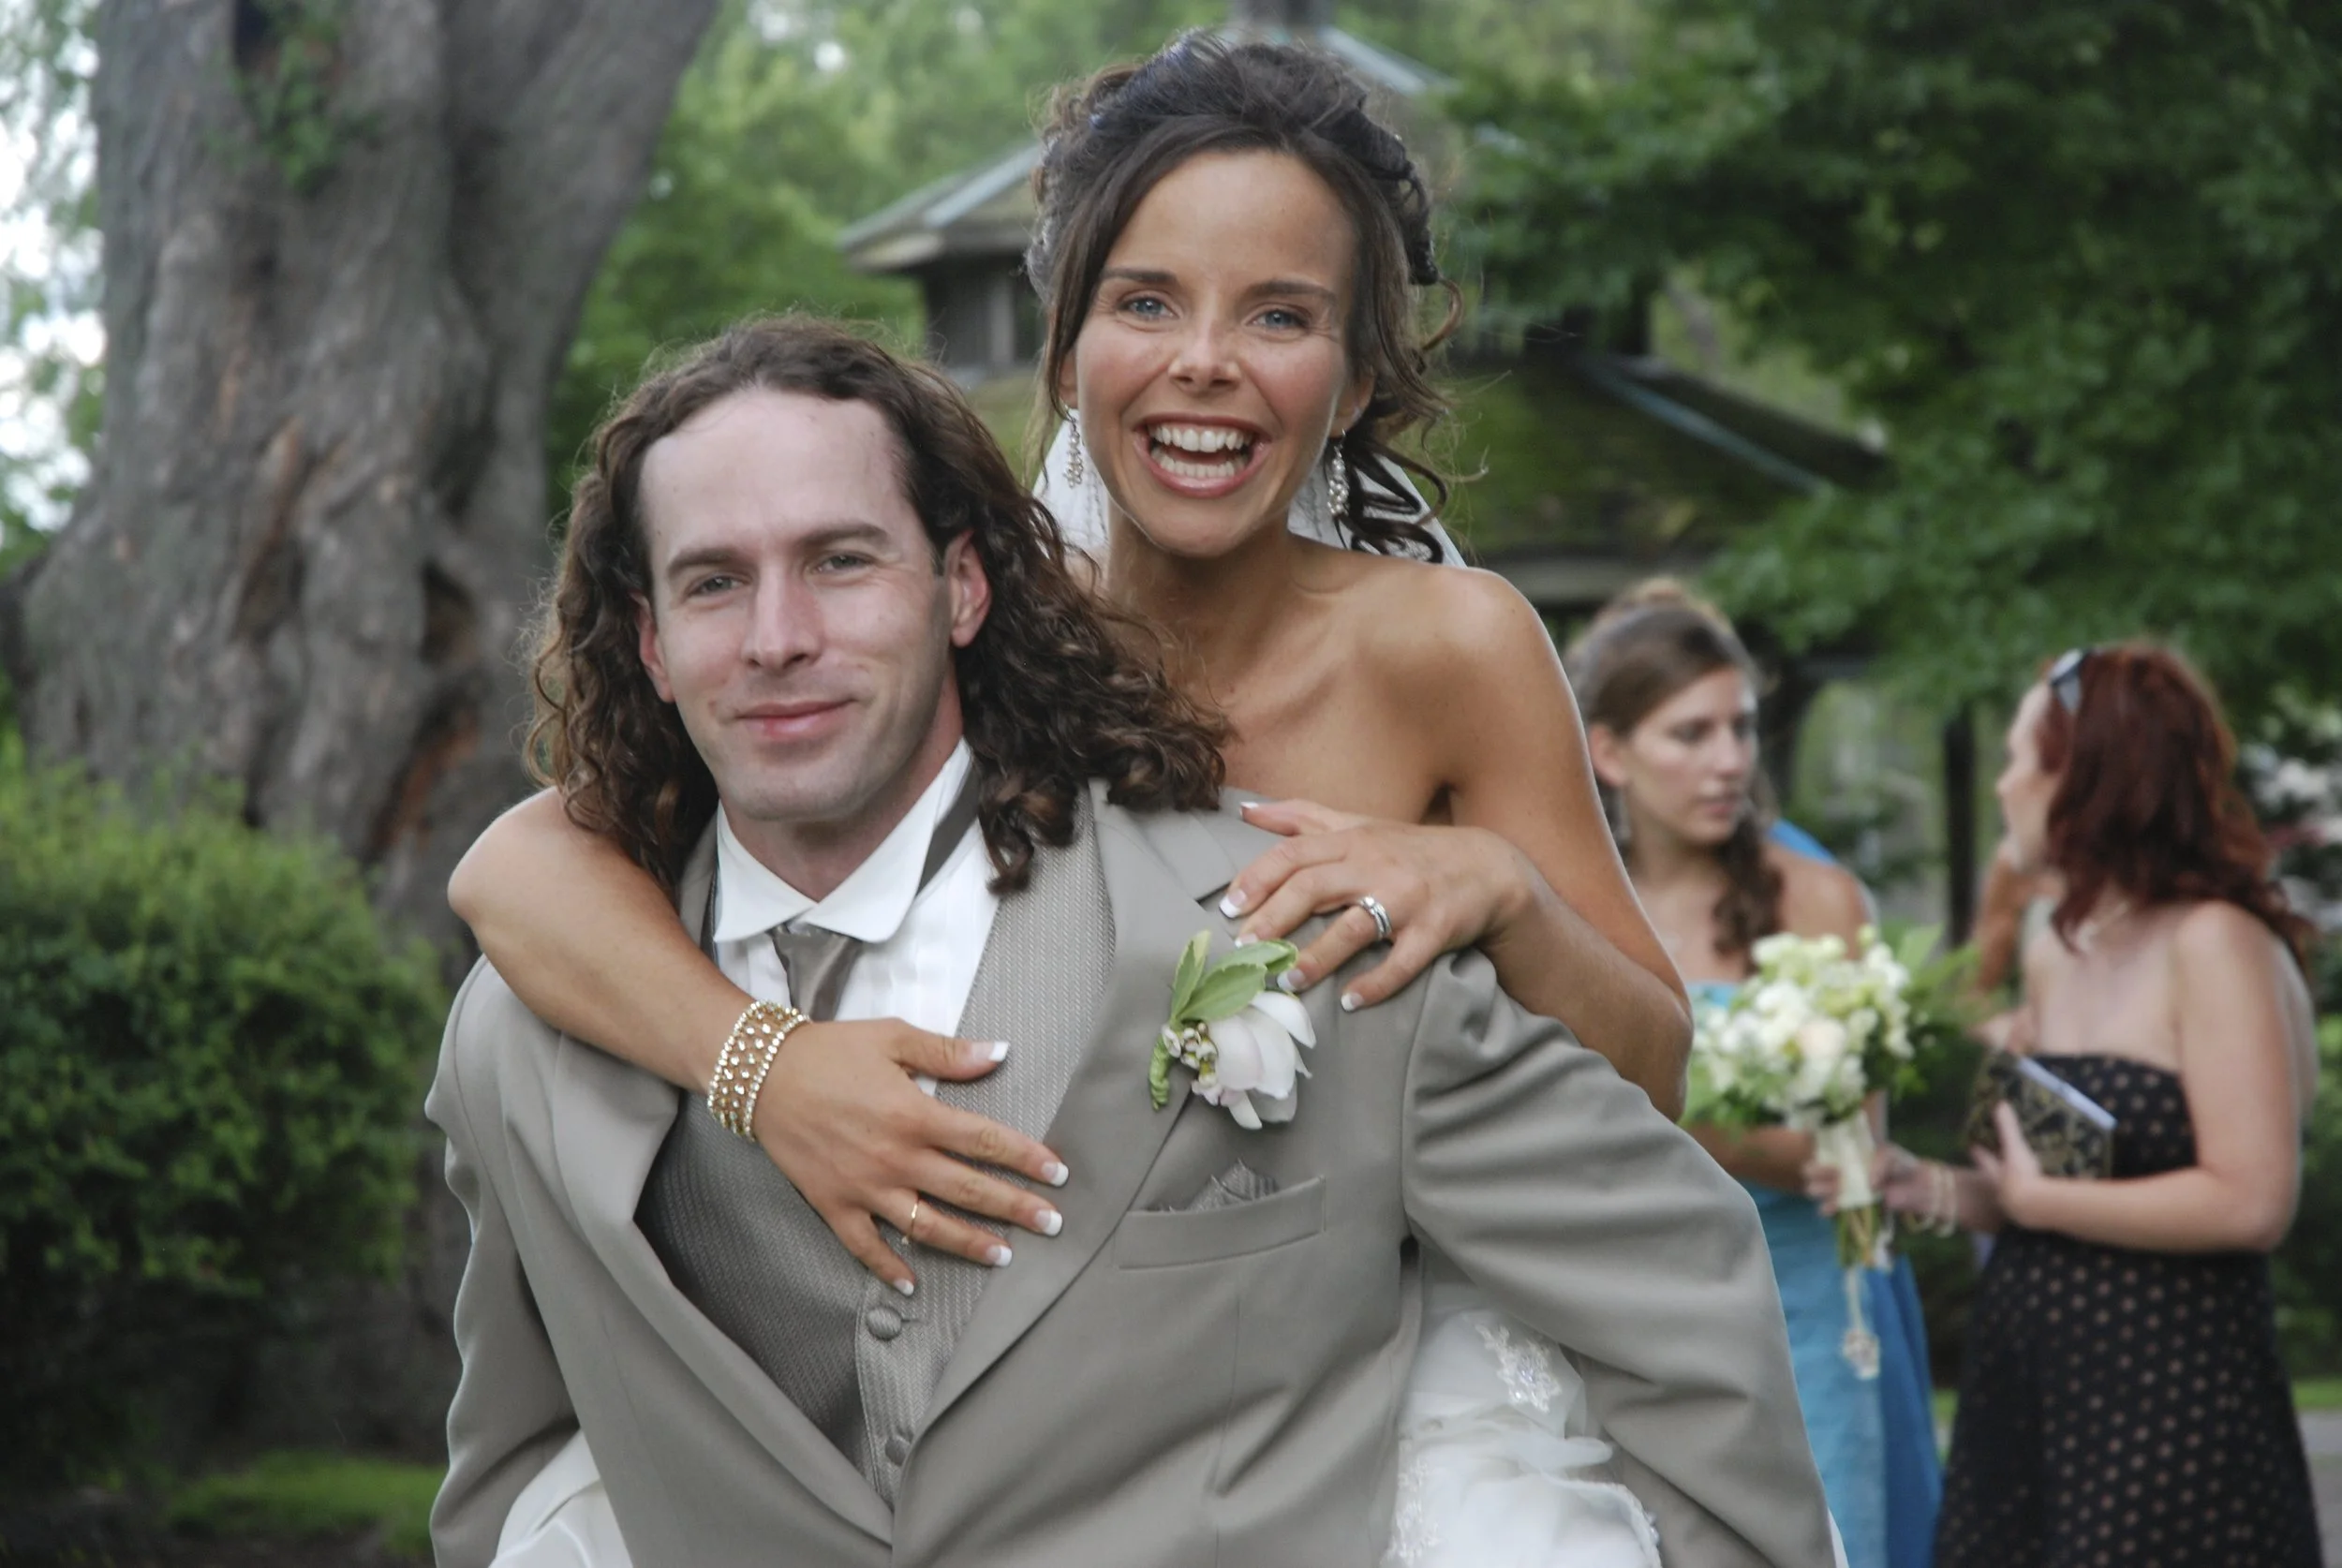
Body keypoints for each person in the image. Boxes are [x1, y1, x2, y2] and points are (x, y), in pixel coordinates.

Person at [424, 312, 1837, 1567]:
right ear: (653, 641)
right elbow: (522, 1456)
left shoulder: (1286, 926)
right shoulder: (527, 1031)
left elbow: (1669, 1273)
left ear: (962, 586)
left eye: (841, 561)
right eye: (715, 582)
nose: (778, 635)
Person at [448, 35, 1690, 1298]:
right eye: (1145, 302)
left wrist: (1506, 889)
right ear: (1064, 348)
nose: (1206, 359)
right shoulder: (978, 623)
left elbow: (1657, 1078)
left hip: (1387, 1319)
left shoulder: (1455, 647)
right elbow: (517, 870)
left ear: (1358, 374)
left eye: (1280, 314)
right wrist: (764, 1064)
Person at [1873, 643, 2323, 1567]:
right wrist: (1940, 1189)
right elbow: (2067, 1179)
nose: (2001, 786)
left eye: (2016, 758)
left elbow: (2250, 1201)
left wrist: (2044, 1205)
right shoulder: (2059, 947)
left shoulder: (2215, 943)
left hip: (2169, 1391)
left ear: (2085, 777)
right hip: (2032, 1378)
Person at [1564, 595, 1942, 1568]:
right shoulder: (1569, 911)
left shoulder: (1813, 899)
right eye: (1689, 733)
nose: (1729, 759)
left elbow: (1851, 1152)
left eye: (1740, 728)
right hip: (1632, 1293)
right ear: (1609, 753)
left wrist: (1672, 1112)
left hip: (1805, 1302)